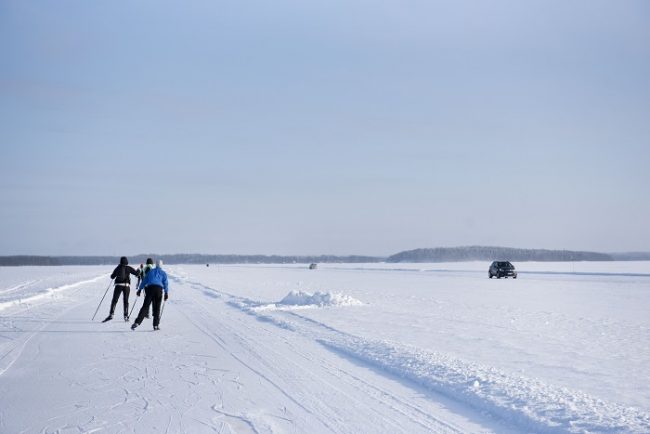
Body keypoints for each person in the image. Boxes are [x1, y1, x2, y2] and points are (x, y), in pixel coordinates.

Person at [131, 259, 169, 331]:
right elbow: (166, 284)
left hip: (150, 289)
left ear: (155, 264)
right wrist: (166, 293)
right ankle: (155, 325)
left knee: (145, 306)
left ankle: (137, 322)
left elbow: (144, 281)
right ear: (161, 265)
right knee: (157, 308)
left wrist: (139, 290)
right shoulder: (163, 273)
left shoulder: (151, 271)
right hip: (159, 290)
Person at [104, 256, 140, 322]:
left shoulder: (118, 268)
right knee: (126, 301)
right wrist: (138, 270)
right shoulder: (129, 268)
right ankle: (126, 316)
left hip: (118, 285)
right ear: (126, 261)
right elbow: (137, 274)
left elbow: (112, 277)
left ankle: (111, 314)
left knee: (115, 300)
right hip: (126, 286)